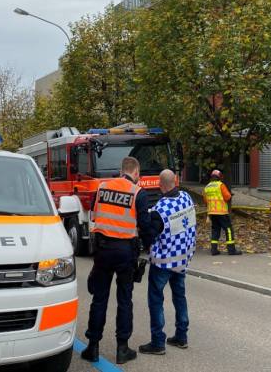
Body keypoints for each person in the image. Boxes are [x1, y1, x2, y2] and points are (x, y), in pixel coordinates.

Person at [81, 156, 151, 365]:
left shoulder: (102, 188)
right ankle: (122, 348)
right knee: (124, 300)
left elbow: (94, 214)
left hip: (102, 250)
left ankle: (92, 346)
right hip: (125, 252)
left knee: (99, 299)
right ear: (136, 172)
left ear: (122, 170)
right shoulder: (138, 193)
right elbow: (145, 225)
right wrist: (149, 244)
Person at [139, 169, 197, 356]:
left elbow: (150, 234)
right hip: (182, 260)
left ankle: (158, 343)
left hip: (163, 262)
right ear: (176, 181)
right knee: (179, 297)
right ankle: (182, 336)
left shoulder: (160, 209)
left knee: (156, 300)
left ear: (160, 185)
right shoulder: (187, 198)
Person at [202, 170, 242, 256]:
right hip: (222, 212)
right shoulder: (220, 185)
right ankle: (231, 250)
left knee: (215, 230)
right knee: (228, 230)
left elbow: (205, 201)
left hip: (212, 213)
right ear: (220, 177)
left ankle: (214, 250)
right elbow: (227, 197)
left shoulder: (207, 187)